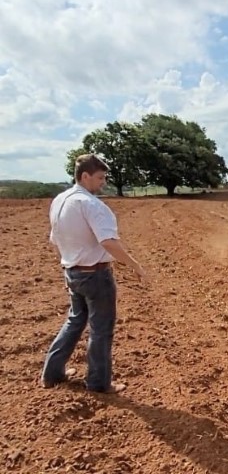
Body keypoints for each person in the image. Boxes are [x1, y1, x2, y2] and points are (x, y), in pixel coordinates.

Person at [41, 154, 146, 394]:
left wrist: (72, 258)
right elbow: (108, 241)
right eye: (100, 178)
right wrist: (135, 265)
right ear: (85, 176)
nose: (103, 183)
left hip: (72, 272)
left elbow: (54, 239)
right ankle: (99, 383)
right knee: (101, 329)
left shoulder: (60, 200)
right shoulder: (91, 205)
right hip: (95, 276)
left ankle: (52, 373)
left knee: (74, 321)